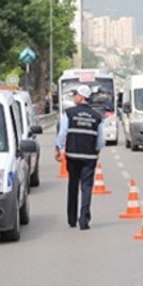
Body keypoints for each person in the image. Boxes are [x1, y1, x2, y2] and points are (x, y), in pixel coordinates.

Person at [55, 84, 105, 230]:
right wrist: (96, 152)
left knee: (73, 185)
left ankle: (71, 219)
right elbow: (100, 140)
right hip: (89, 157)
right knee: (87, 187)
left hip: (72, 155)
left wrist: (58, 148)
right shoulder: (97, 116)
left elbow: (63, 133)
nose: (73, 97)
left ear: (81, 96)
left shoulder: (69, 113)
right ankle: (84, 220)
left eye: (75, 94)